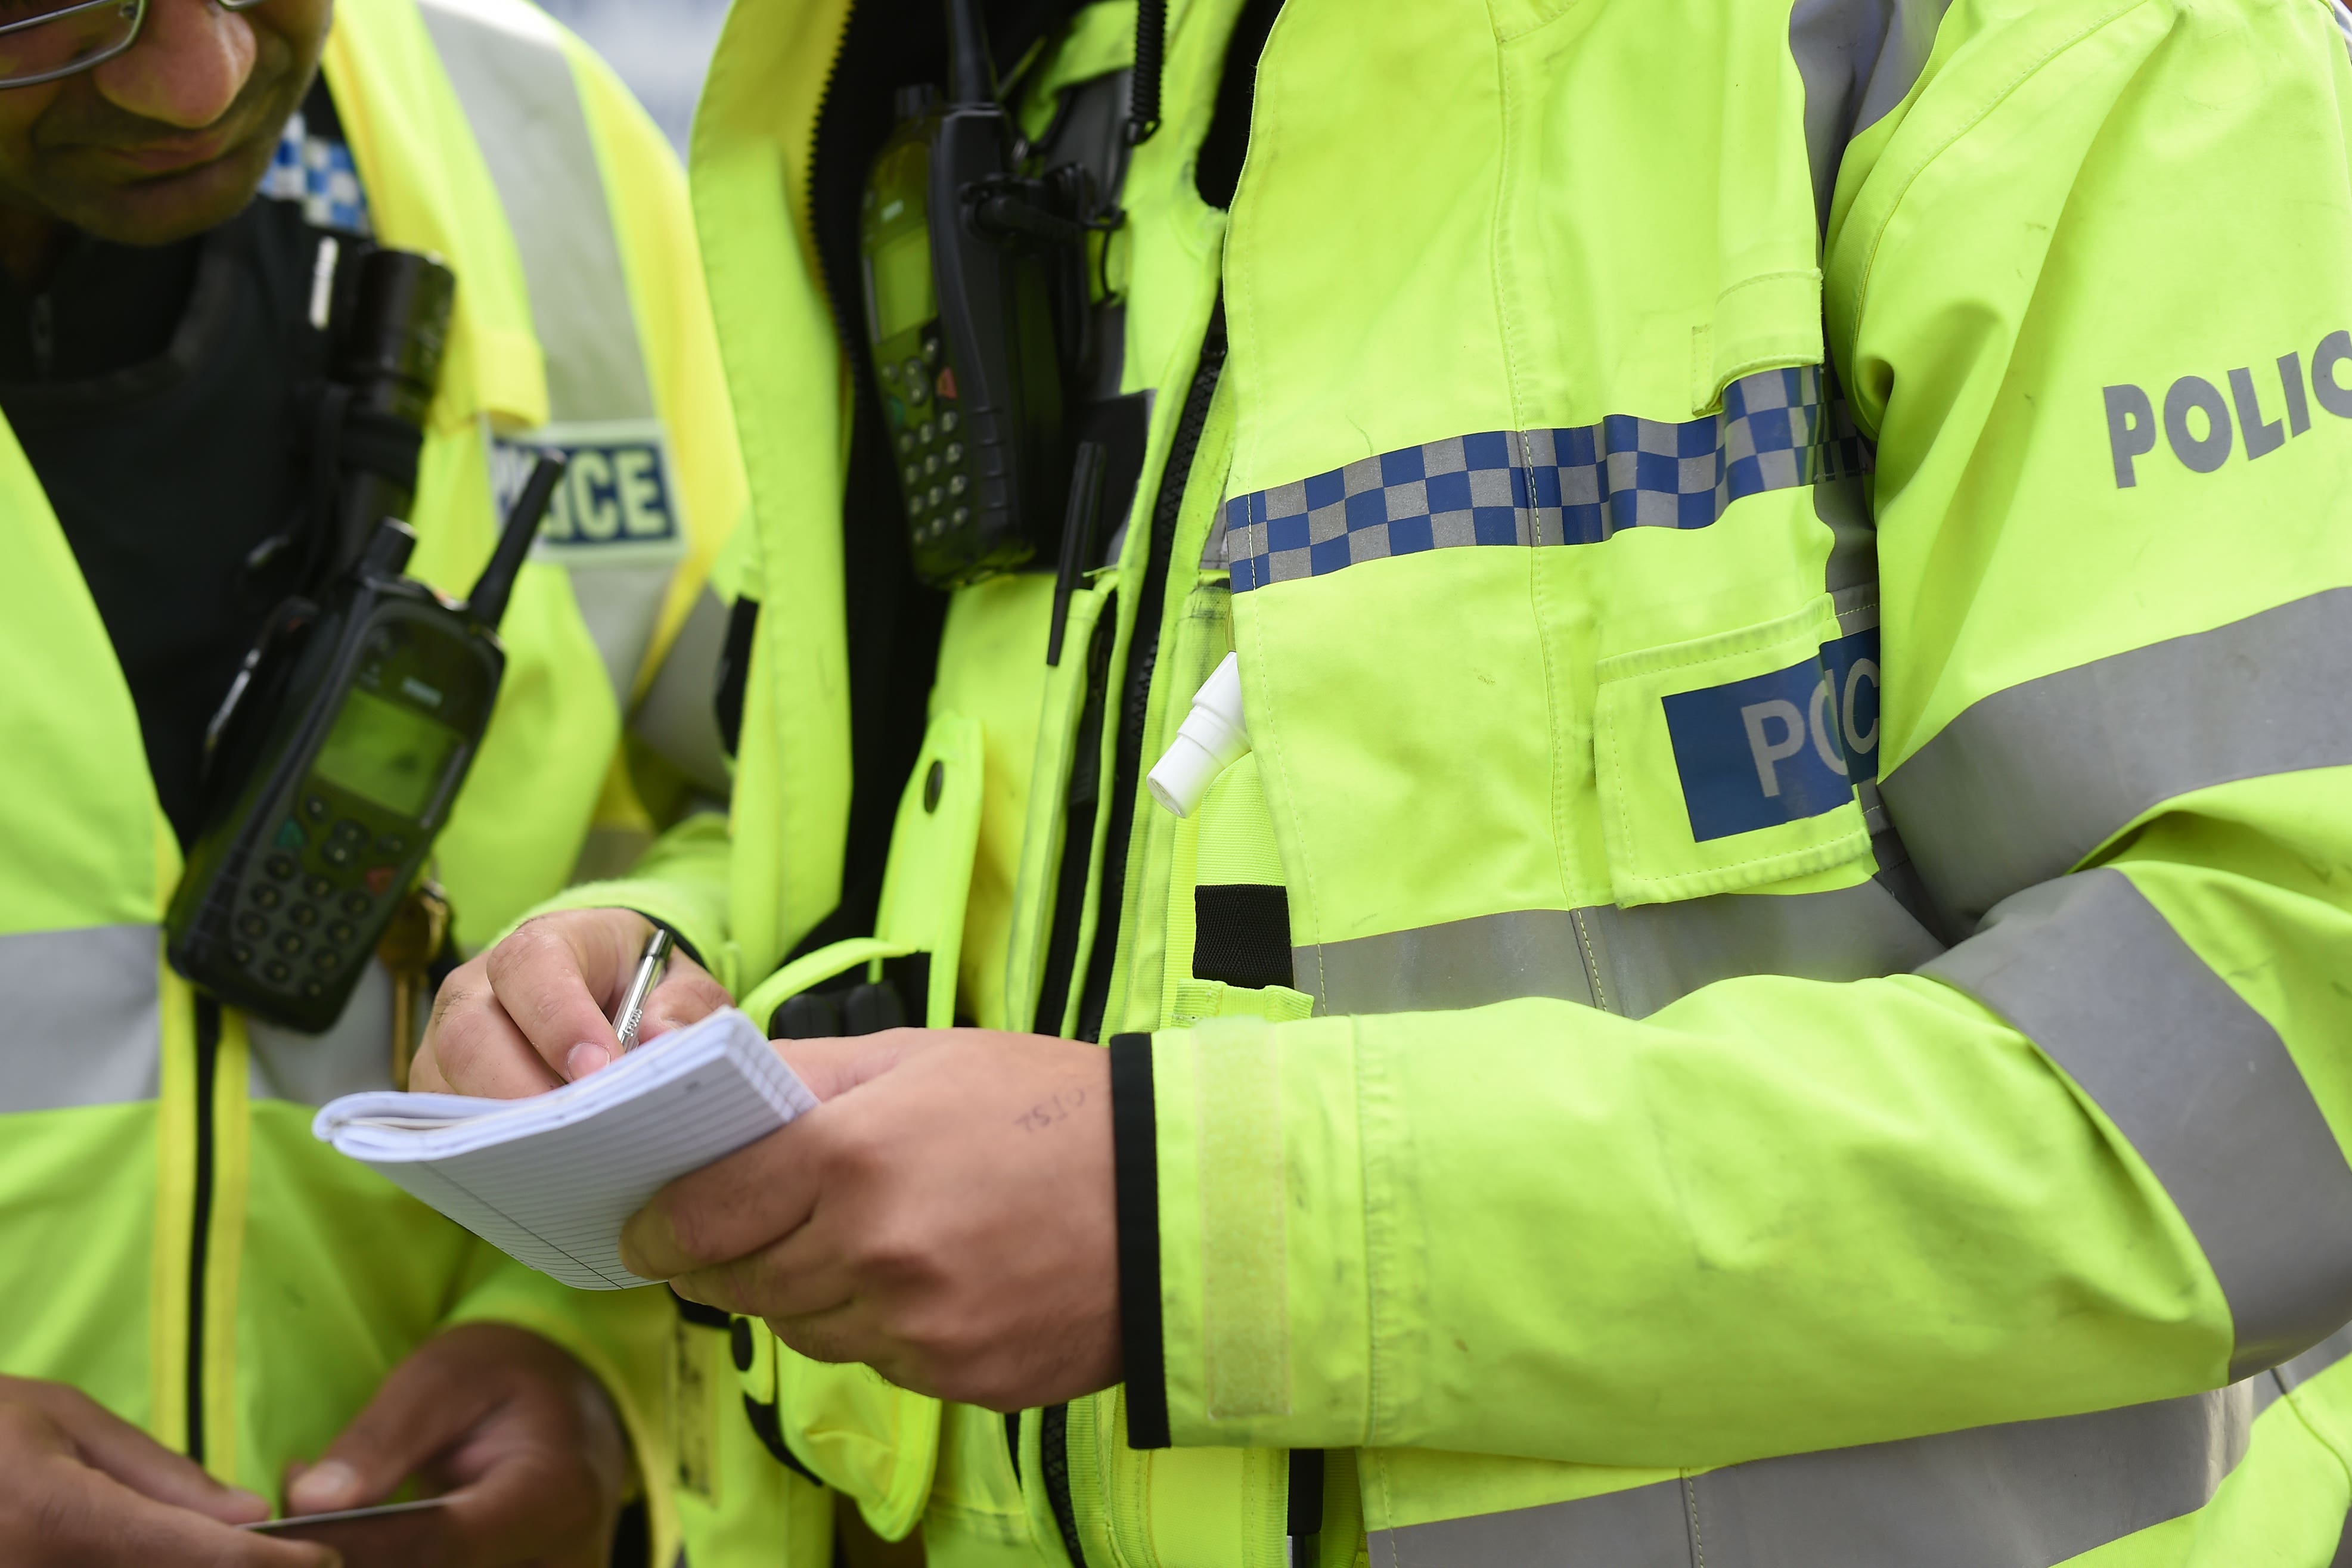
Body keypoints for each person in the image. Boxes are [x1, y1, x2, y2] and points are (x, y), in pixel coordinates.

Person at [421, 0, 2352, 1561]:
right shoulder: (1009, 67)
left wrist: (1202, 1232)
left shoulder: (2047, 41)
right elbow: (945, 823)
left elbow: (2278, 1049)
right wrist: (650, 979)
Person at [0, 0, 745, 1560]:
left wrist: (596, 1352)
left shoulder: (556, 138)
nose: (193, 77)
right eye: (39, 15)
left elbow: (803, 817)